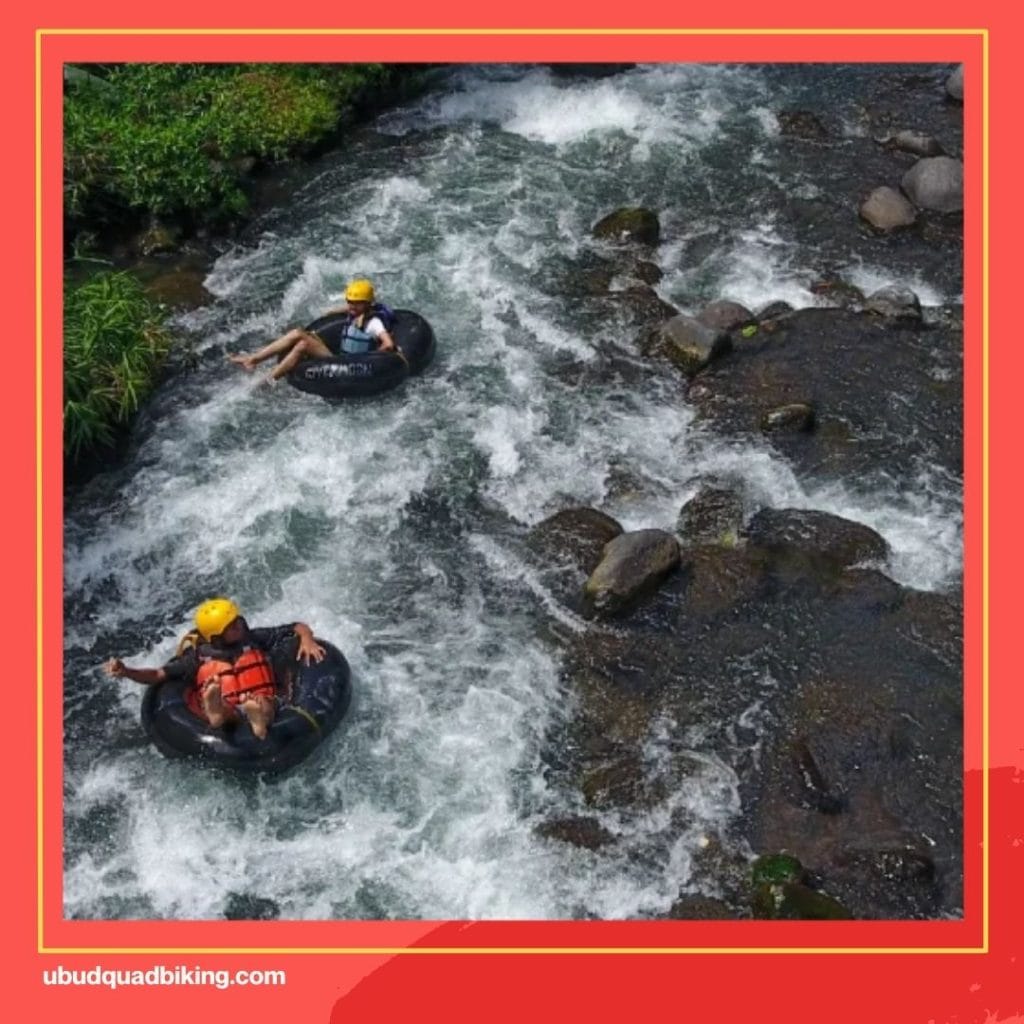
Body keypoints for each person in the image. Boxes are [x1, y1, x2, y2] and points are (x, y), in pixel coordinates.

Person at [103, 598, 325, 741]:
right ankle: (217, 711)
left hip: (259, 698)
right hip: (230, 704)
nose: (239, 624)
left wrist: (307, 639)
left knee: (264, 702)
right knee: (230, 711)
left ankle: (257, 720)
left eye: (237, 620)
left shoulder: (253, 638)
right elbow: (158, 675)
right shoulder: (198, 657)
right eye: (232, 626)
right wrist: (127, 671)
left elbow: (295, 627)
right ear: (217, 636)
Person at [228, 278, 398, 383]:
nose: (352, 306)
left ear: (367, 304)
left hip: (354, 366)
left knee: (301, 341)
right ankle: (256, 362)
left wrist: (376, 356)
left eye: (357, 303)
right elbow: (348, 310)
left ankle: (267, 377)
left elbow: (388, 344)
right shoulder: (355, 312)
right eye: (349, 302)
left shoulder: (374, 323)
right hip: (341, 358)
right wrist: (334, 311)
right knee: (299, 338)